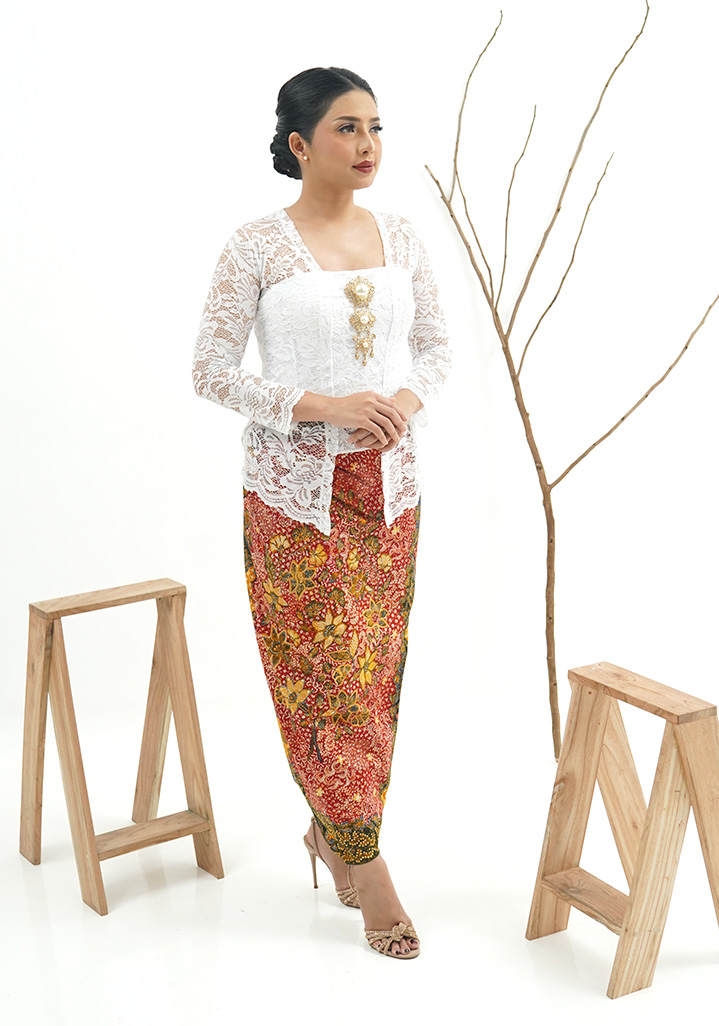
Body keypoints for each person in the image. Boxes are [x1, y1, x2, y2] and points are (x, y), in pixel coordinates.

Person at [191, 66, 451, 960]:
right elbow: (211, 370)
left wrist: (401, 405)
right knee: (323, 676)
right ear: (300, 144)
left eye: (375, 126)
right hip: (294, 496)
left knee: (373, 679)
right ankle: (369, 869)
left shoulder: (403, 235)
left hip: (390, 490)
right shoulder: (256, 246)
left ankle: (332, 832)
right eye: (347, 128)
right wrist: (322, 406)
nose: (367, 144)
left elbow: (437, 350)